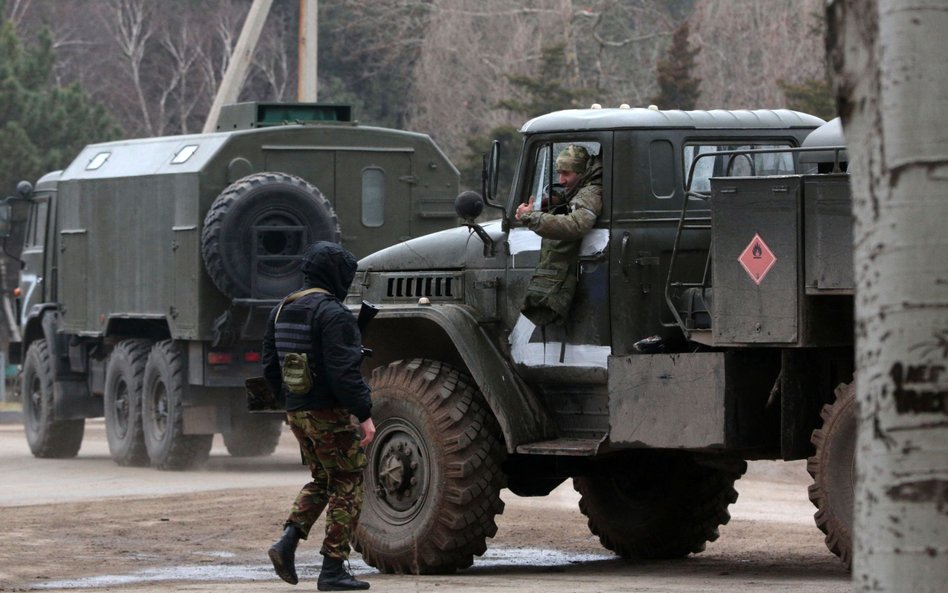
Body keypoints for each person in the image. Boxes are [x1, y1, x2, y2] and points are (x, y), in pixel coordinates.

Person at [262, 241, 376, 591]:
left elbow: (269, 366)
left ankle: (288, 540)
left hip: (299, 412)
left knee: (324, 480)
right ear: (335, 274)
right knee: (349, 482)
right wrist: (365, 415)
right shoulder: (333, 313)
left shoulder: (283, 308)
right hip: (329, 412)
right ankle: (333, 569)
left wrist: (293, 402)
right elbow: (344, 374)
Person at [515, 144, 603, 326]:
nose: (561, 180)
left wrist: (531, 218)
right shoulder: (583, 188)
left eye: (566, 174)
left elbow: (576, 224)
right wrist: (556, 201)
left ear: (581, 173)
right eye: (559, 173)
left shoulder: (591, 192)